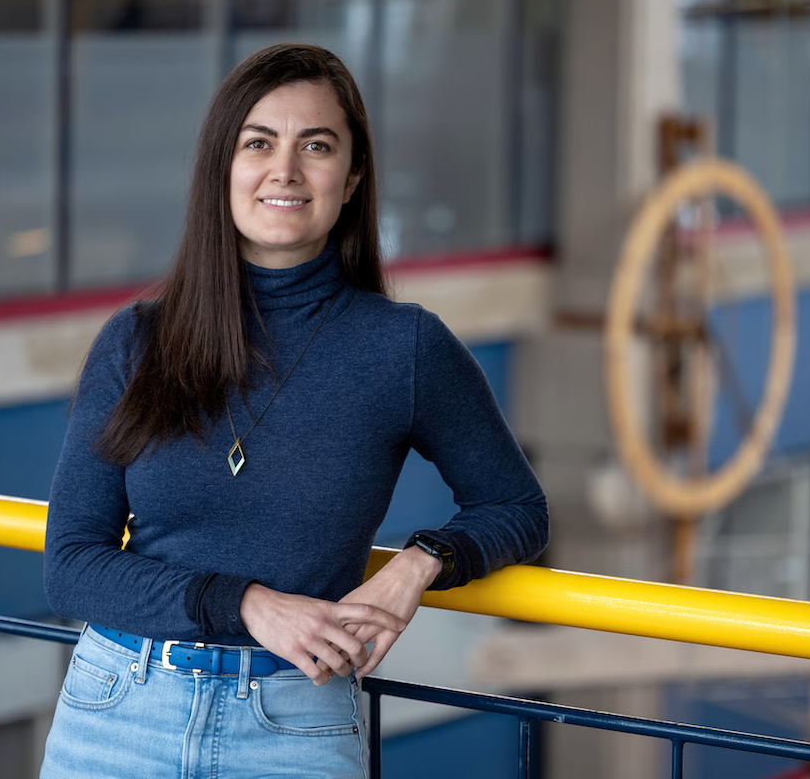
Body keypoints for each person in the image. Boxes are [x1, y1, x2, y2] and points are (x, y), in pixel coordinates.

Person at [39, 43, 548, 778]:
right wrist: (248, 603)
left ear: (353, 178)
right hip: (119, 710)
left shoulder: (404, 347)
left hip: (292, 722)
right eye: (258, 143)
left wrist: (418, 565)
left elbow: (517, 506)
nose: (285, 170)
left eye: (316, 146)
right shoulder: (137, 340)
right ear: (223, 169)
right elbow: (72, 566)